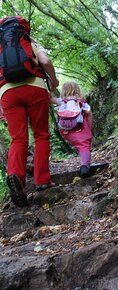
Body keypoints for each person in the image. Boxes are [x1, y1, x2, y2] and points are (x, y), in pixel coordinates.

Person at [0, 16, 59, 207]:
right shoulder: (29, 41)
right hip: (35, 88)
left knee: (18, 139)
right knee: (41, 134)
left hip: (8, 93)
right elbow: (45, 61)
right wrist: (54, 81)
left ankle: (16, 176)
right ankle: (42, 180)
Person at [51, 81, 93, 178]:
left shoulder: (61, 101)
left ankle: (83, 162)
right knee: (84, 147)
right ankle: (84, 167)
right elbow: (89, 113)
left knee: (79, 145)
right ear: (77, 89)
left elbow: (49, 99)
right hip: (80, 128)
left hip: (66, 131)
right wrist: (89, 127)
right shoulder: (81, 101)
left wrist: (51, 87)